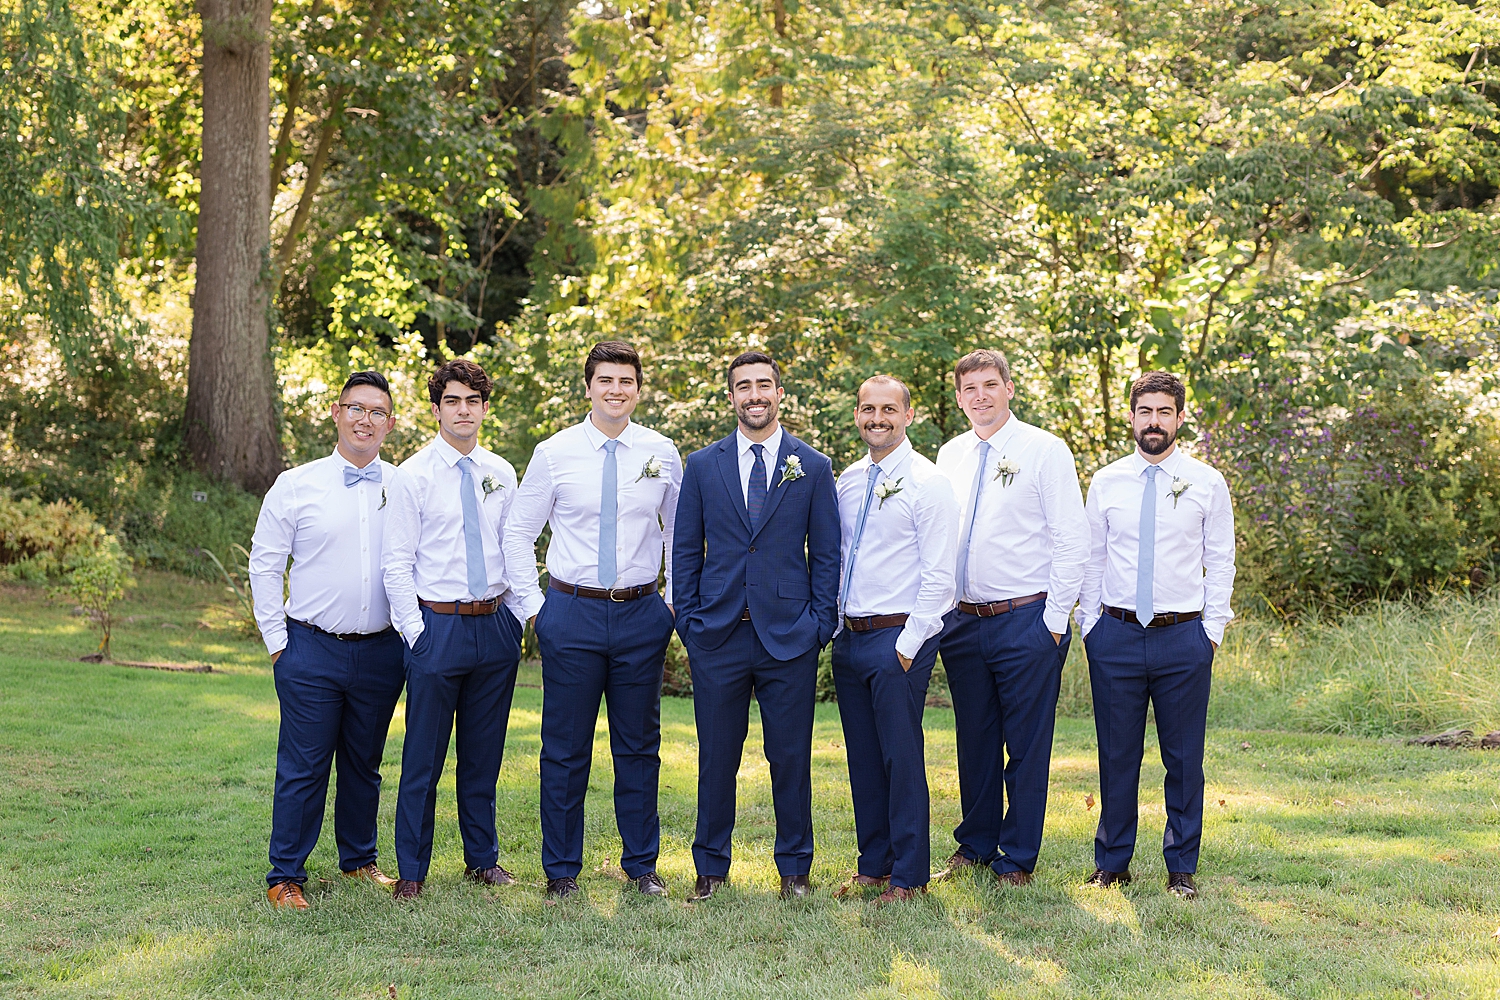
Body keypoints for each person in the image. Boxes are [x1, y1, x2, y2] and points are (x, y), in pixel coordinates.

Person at [503, 341, 682, 900]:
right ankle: (561, 871)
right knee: (564, 747)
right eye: (605, 380)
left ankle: (641, 866)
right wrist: (535, 610)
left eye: (626, 381)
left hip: (640, 614)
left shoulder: (662, 452)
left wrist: (671, 604)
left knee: (638, 747)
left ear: (638, 389)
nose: (615, 390)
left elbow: (680, 534)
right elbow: (517, 532)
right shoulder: (554, 453)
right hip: (571, 612)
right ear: (588, 387)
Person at [671, 350, 841, 901]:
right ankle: (711, 869)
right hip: (716, 635)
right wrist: (691, 623)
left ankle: (795, 870)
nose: (754, 395)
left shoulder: (810, 466)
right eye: (743, 386)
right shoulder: (702, 465)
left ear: (779, 393)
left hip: (789, 636)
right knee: (715, 756)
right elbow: (684, 552)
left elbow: (827, 554)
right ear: (731, 397)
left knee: (790, 758)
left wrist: (820, 624)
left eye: (763, 385)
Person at [249, 371, 406, 910]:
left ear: (391, 423)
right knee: (305, 763)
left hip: (383, 650)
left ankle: (359, 860)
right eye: (356, 409)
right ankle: (285, 874)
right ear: (336, 414)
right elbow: (265, 564)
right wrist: (277, 640)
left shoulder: (403, 487)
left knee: (365, 762)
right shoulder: (296, 485)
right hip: (310, 647)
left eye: (377, 412)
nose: (366, 420)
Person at [1076, 371, 1235, 899]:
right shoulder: (1106, 481)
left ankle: (1181, 867)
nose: (1154, 422)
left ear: (1180, 418)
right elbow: (1092, 558)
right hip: (1115, 635)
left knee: (1184, 758)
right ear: (1131, 417)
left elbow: (1221, 560)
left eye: (1164, 412)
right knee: (1116, 754)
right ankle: (1112, 862)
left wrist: (1210, 631)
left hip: (1182, 636)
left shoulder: (1207, 483)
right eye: (1145, 412)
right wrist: (1090, 626)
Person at [934, 349, 1088, 886]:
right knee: (974, 739)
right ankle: (973, 845)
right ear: (959, 398)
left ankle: (1017, 856)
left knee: (1025, 744)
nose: (980, 396)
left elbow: (1073, 537)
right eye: (970, 388)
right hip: (963, 622)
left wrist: (1053, 619)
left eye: (989, 385)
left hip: (1027, 619)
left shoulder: (1044, 450)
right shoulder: (949, 454)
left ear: (1009, 388)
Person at [382, 358, 527, 900]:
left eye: (472, 401)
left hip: (493, 627)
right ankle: (412, 871)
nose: (463, 411)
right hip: (436, 628)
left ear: (485, 408)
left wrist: (513, 618)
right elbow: (396, 563)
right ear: (437, 408)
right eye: (452, 401)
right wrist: (416, 634)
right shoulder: (413, 476)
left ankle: (481, 859)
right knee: (423, 756)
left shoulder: (502, 472)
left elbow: (513, 550)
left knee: (483, 754)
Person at [831, 376, 958, 904]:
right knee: (863, 756)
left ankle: (909, 876)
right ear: (857, 415)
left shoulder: (928, 482)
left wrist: (907, 645)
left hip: (899, 637)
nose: (876, 418)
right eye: (867, 409)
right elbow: (839, 557)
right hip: (851, 636)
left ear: (909, 415)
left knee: (900, 758)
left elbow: (940, 576)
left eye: (888, 409)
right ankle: (874, 865)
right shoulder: (849, 480)